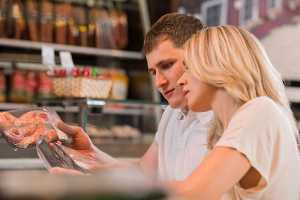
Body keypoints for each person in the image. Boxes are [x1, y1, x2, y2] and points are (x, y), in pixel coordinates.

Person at [49, 13, 213, 181]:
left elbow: (192, 193)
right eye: (154, 72)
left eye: (167, 65)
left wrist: (94, 180)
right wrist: (92, 154)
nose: (159, 82)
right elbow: (143, 171)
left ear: (199, 56)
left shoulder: (225, 119)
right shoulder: (172, 113)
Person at [171, 25, 300, 200]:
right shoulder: (232, 127)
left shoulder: (260, 111)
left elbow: (192, 194)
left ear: (216, 64)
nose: (180, 80)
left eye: (188, 67)